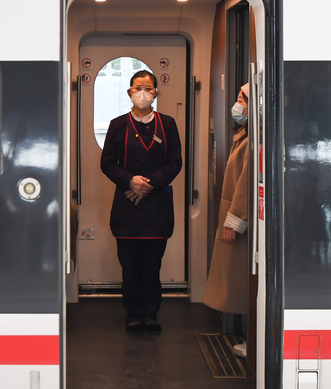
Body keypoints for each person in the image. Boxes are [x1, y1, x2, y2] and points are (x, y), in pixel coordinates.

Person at [100, 70, 182, 335]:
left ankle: (151, 313)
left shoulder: (167, 124)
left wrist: (149, 184)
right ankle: (134, 314)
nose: (143, 93)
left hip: (157, 209)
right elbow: (107, 163)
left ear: (156, 93)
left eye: (148, 88)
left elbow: (175, 162)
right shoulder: (118, 125)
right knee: (130, 267)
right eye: (138, 88)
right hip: (127, 207)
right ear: (129, 92)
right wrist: (130, 181)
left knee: (151, 268)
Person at [202, 83, 251, 357]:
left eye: (242, 100)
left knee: (244, 281)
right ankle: (251, 337)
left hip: (240, 219)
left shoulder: (254, 139)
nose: (237, 105)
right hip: (234, 213)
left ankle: (254, 340)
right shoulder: (244, 134)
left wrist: (234, 222)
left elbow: (246, 184)